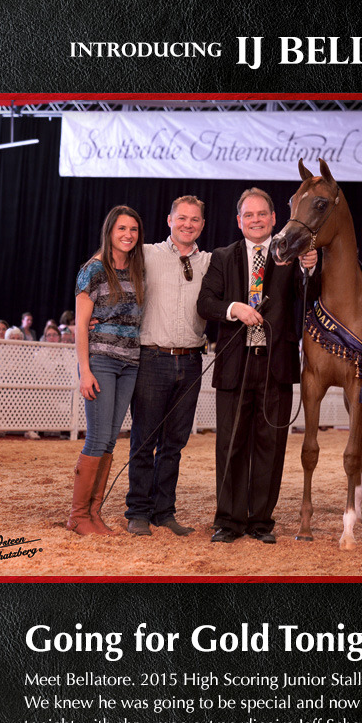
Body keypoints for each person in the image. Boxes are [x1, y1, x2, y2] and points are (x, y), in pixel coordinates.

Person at [197, 187, 319, 544]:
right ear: (239, 221)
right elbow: (205, 303)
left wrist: (310, 269)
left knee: (270, 446)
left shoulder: (290, 254)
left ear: (274, 218)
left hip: (275, 365)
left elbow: (310, 297)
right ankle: (228, 521)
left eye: (262, 214)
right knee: (230, 445)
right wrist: (233, 308)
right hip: (234, 365)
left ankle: (261, 521)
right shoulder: (222, 257)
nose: (255, 220)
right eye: (248, 215)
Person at [124, 195, 211, 537]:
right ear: (169, 220)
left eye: (195, 219)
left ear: (202, 225)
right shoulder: (145, 254)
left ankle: (164, 512)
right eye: (182, 218)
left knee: (174, 445)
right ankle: (137, 512)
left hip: (191, 361)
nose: (188, 224)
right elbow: (107, 266)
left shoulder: (210, 262)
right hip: (152, 358)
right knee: (144, 441)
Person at [67, 205, 145, 536]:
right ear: (109, 231)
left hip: (130, 363)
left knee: (111, 438)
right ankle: (77, 515)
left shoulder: (138, 269)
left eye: (133, 229)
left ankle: (93, 513)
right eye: (121, 229)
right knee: (98, 437)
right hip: (101, 360)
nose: (128, 235)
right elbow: (81, 325)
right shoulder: (94, 269)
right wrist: (84, 371)